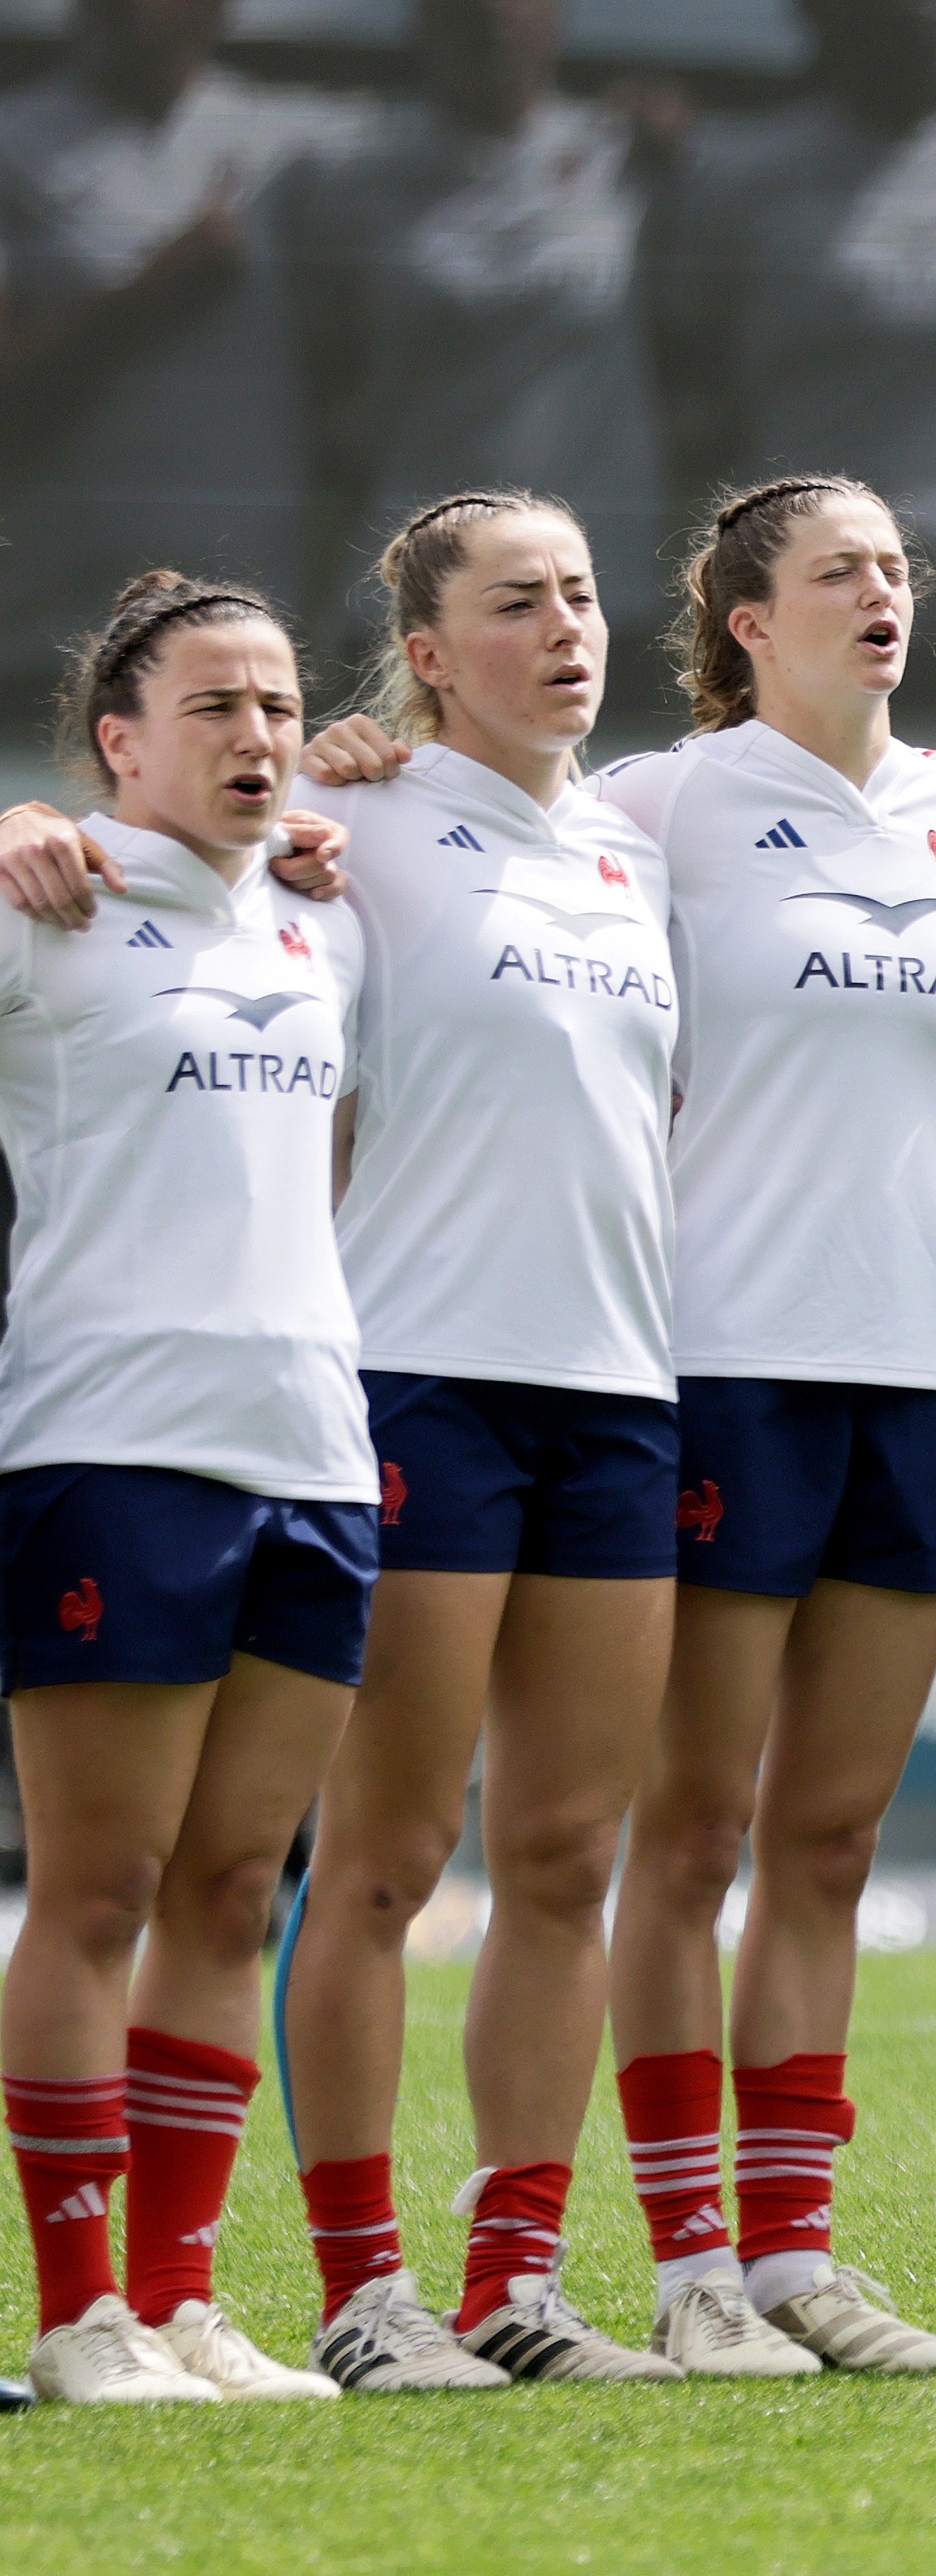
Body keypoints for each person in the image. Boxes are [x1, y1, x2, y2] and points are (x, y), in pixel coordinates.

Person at [270, 492, 702, 2387]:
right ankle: (363, 2292)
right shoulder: (346, 829)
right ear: (429, 653)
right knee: (380, 1855)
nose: (569, 627)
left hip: (617, 1391)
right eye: (517, 602)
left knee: (563, 1852)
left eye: (586, 595)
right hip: (418, 1383)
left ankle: (515, 2278)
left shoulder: (631, 844)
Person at [2, 571, 368, 2405]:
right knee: (99, 1883)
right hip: (109, 1445)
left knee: (233, 1889)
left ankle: (179, 2298)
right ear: (119, 742)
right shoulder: (41, 901)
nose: (258, 736)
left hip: (313, 1452)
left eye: (280, 704)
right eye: (214, 705)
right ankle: (78, 2319)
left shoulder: (325, 922)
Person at [644, 0, 936, 690]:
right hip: (811, 607)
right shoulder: (737, 178)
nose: (908, 15)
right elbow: (683, 373)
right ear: (818, 18)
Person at [0, 0, 365, 683]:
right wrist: (156, 290)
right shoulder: (17, 142)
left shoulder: (297, 145)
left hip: (240, 623)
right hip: (56, 628)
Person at [280, 0, 666, 643]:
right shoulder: (352, 177)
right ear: (420, 12)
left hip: (598, 593)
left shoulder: (627, 157)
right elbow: (321, 379)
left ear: (558, 10)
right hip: (423, 599)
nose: (490, 7)